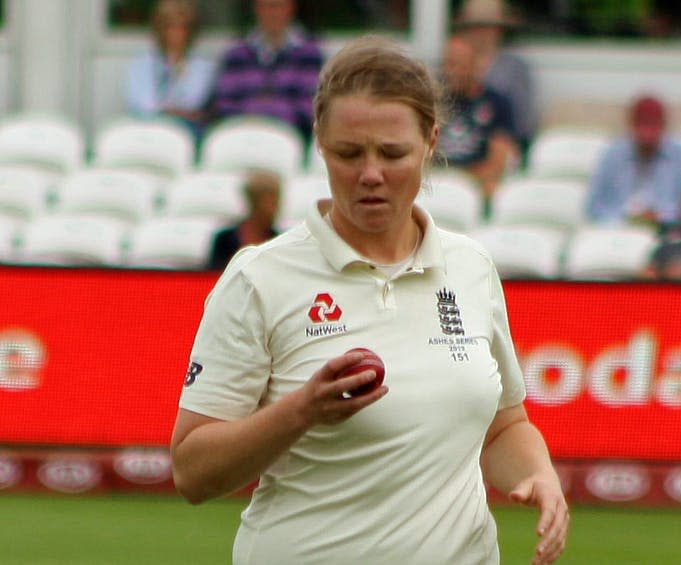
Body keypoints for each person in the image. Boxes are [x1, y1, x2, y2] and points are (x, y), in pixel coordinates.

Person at [170, 36, 568, 565]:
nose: (371, 173)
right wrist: (299, 412)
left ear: (430, 140)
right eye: (349, 153)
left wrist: (538, 475)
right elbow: (193, 472)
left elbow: (503, 426)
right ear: (320, 143)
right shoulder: (260, 276)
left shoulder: (470, 266)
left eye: (393, 152)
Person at [208, 0, 323, 144]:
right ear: (256, 9)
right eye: (266, 7)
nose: (272, 13)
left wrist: (273, 112)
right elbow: (223, 104)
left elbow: (311, 105)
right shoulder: (237, 53)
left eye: (277, 6)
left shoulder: (309, 53)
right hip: (242, 134)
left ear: (290, 8)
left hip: (293, 137)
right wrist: (252, 114)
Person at [585, 94, 681, 234]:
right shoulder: (612, 155)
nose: (647, 142)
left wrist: (661, 217)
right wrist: (625, 218)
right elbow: (594, 206)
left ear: (664, 125)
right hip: (618, 231)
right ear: (631, 125)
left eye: (653, 130)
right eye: (642, 131)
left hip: (667, 232)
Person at [437, 34, 517, 220]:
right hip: (437, 183)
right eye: (448, 64)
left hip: (477, 187)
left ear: (477, 66)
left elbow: (499, 161)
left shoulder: (496, 103)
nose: (452, 71)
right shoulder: (432, 102)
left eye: (460, 65)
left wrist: (461, 181)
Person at [454, 0, 538, 169]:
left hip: (499, 147)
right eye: (474, 27)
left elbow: (523, 124)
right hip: (457, 146)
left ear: (499, 29)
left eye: (487, 27)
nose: (480, 33)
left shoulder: (515, 68)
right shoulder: (453, 63)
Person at [125, 0, 216, 144]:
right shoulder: (141, 64)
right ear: (159, 29)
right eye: (170, 26)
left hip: (186, 132)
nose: (177, 32)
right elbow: (140, 104)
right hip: (147, 129)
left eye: (183, 27)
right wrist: (172, 110)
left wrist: (178, 67)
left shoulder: (202, 66)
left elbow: (193, 101)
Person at [206, 168, 282, 271]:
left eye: (277, 201)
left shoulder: (280, 242)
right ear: (253, 202)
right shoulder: (224, 241)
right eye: (270, 202)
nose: (275, 208)